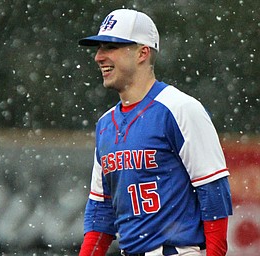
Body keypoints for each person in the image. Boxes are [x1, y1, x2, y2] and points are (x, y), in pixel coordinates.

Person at [78, 9, 232, 256]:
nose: (99, 57)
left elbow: (213, 191)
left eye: (110, 47)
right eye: (98, 48)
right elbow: (101, 212)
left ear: (142, 52)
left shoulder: (180, 108)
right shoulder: (105, 124)